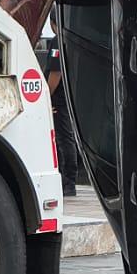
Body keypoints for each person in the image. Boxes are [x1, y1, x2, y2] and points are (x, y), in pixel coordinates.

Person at [41, 35, 79, 197]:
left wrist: (46, 98)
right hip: (67, 97)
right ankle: (67, 180)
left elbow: (56, 72)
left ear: (52, 22)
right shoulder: (71, 38)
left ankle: (68, 182)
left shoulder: (59, 40)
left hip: (58, 99)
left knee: (63, 139)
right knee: (64, 138)